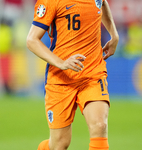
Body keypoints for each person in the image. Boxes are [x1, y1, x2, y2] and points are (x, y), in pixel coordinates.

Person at [27, 0, 119, 150]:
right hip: (60, 79)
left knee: (100, 125)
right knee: (60, 144)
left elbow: (102, 3)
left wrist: (114, 34)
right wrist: (61, 63)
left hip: (92, 73)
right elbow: (31, 40)